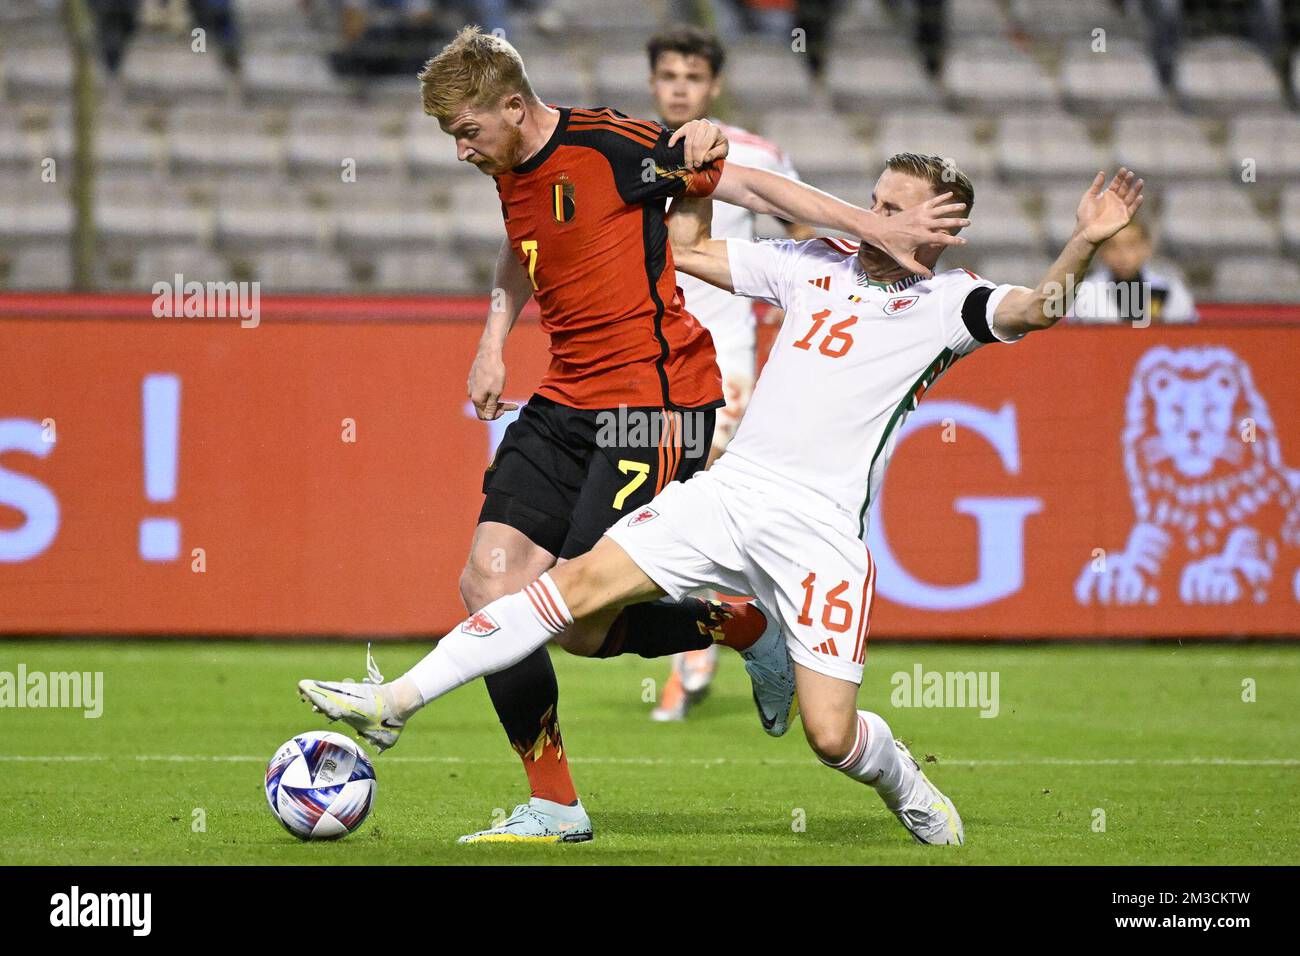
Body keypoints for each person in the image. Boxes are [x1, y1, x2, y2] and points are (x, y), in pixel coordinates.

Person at [300, 154, 1145, 845]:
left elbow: (1039, 310)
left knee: (830, 736)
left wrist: (1081, 243)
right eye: (873, 198)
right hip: (730, 494)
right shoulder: (815, 263)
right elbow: (692, 252)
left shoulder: (948, 302)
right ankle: (394, 700)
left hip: (818, 535)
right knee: (567, 592)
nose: (870, 214)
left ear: (941, 226)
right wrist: (695, 176)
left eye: (894, 206)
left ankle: (901, 777)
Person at [342, 26, 963, 845]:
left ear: (513, 106)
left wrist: (868, 227)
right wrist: (495, 337)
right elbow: (520, 248)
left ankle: (740, 623)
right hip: (563, 400)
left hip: (654, 405)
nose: (460, 150)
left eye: (466, 131)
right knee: (489, 583)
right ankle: (556, 806)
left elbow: (751, 187)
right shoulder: (509, 169)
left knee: (580, 623)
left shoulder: (611, 145)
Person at [643, 24, 814, 723]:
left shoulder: (755, 155)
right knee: (660, 499)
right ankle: (735, 625)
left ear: (713, 85)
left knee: (699, 491)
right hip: (648, 357)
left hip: (723, 356)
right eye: (668, 75)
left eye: (692, 76)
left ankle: (706, 648)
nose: (680, 86)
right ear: (654, 82)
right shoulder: (635, 150)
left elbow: (802, 227)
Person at [1068, 219, 1197, 324]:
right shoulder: (1084, 292)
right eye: (1113, 247)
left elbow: (1187, 335)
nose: (1122, 255)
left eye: (1131, 245)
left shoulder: (1169, 289)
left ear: (1147, 248)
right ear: (1102, 251)